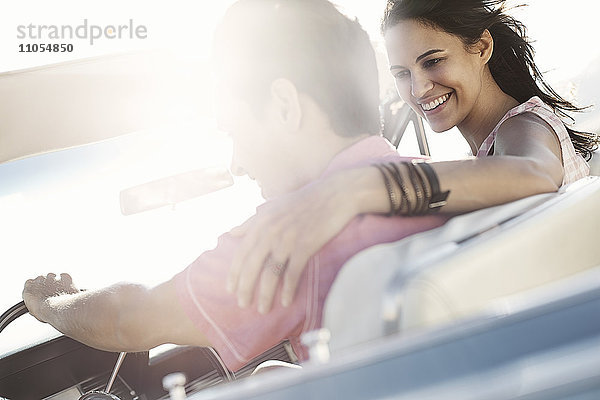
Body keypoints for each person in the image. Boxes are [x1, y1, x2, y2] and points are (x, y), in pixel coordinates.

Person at [22, 0, 449, 372]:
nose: (238, 163)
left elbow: (129, 317)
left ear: (284, 105)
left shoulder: (292, 236)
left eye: (236, 131)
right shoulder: (450, 184)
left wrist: (48, 303)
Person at [226, 0, 600, 313]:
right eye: (402, 73)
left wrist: (361, 187)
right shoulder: (494, 142)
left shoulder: (523, 125)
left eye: (433, 61)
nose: (418, 88)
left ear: (482, 47)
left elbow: (535, 173)